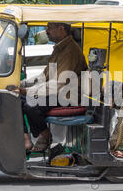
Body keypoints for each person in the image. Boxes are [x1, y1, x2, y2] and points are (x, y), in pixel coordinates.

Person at [19, 22, 88, 152]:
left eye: (49, 28)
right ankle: (25, 139)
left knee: (30, 105)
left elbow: (59, 84)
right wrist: (21, 85)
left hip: (67, 95)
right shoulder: (58, 49)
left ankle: (45, 134)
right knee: (16, 99)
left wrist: (28, 91)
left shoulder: (70, 51)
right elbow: (43, 76)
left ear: (61, 29)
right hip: (56, 92)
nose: (46, 31)